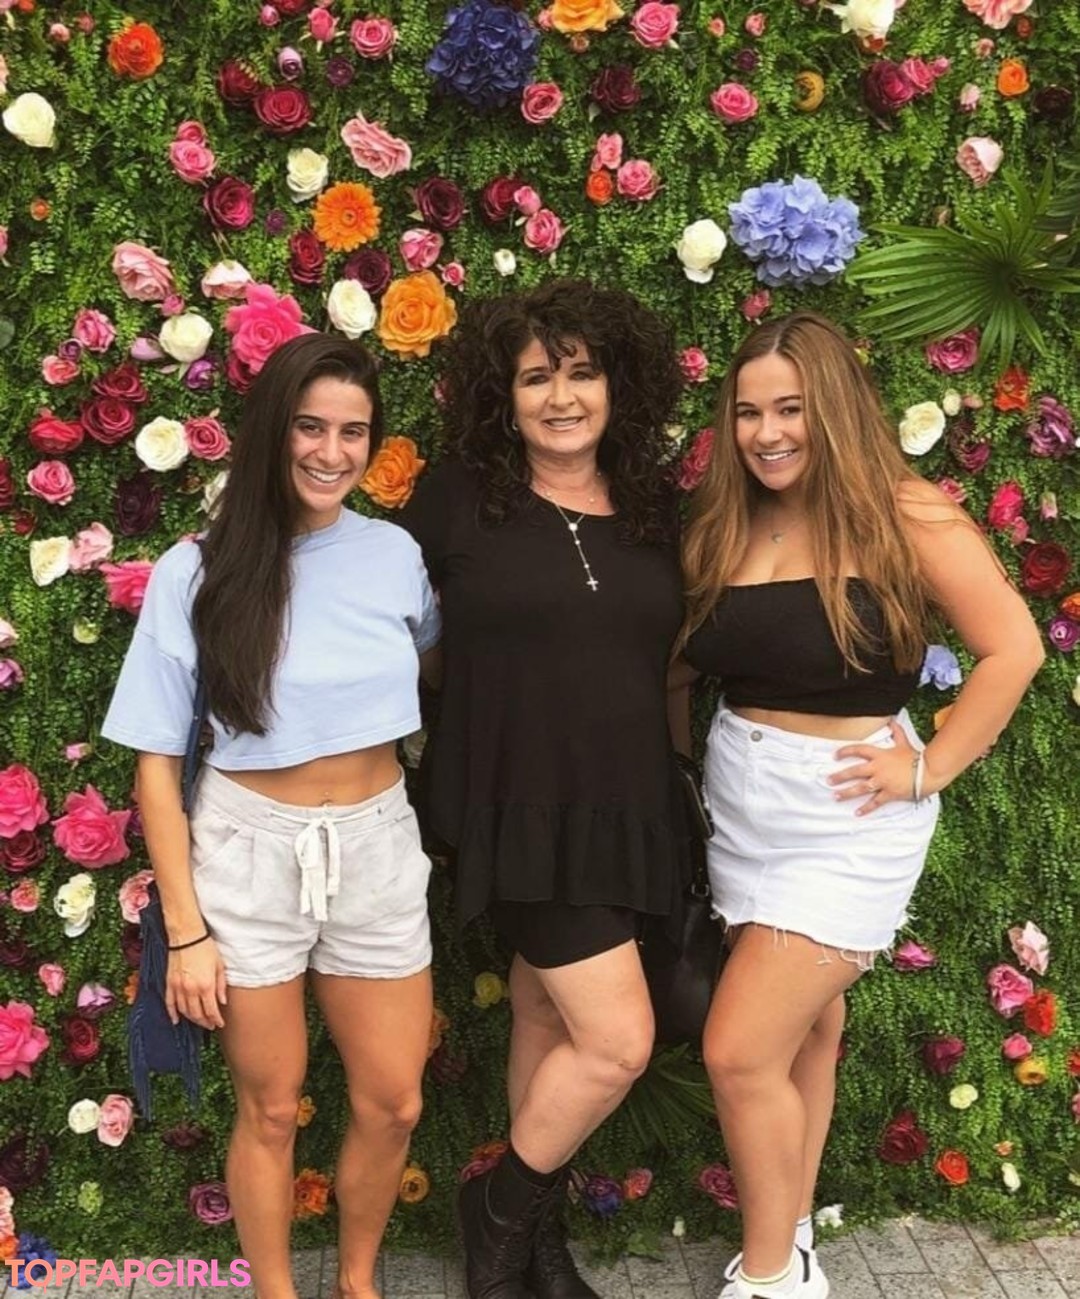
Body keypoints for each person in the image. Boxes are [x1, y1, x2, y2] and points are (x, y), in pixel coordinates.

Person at [674, 311, 1045, 1299]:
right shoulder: (728, 518)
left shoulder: (901, 512)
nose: (766, 433)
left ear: (833, 408)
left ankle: (770, 1279)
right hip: (741, 804)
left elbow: (1014, 647)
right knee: (805, 1031)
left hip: (846, 816)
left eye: (790, 409)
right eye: (747, 412)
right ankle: (790, 1228)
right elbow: (686, 660)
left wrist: (928, 769)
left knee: (738, 1050)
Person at [101, 334, 441, 1299]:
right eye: (309, 426)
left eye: (353, 432)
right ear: (271, 430)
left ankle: (358, 1282)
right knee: (272, 1107)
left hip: (377, 843)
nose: (331, 452)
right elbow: (155, 764)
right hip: (248, 850)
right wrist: (187, 929)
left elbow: (437, 660)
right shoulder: (197, 570)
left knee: (394, 1099)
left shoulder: (394, 555)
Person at [400, 279, 689, 1299]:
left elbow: (675, 660)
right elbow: (393, 631)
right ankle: (496, 1207)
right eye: (535, 378)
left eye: (581, 373)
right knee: (617, 1041)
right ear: (504, 396)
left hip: (627, 806)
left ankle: (532, 1246)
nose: (561, 397)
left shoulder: (657, 509)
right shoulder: (454, 498)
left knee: (549, 1018)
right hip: (512, 802)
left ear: (617, 385)